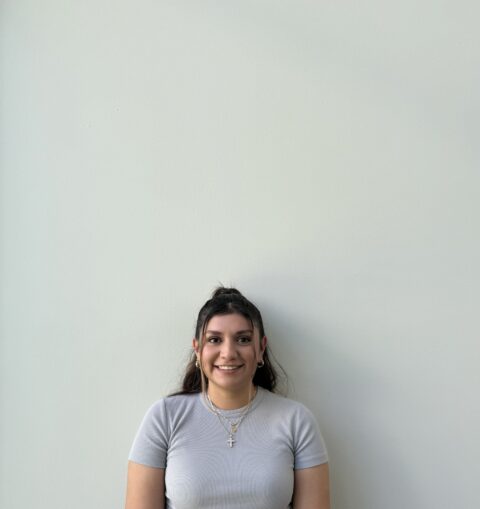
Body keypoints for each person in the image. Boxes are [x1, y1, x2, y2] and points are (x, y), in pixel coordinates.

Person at [125, 287, 330, 509]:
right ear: (197, 349)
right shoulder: (164, 417)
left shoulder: (296, 421)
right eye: (214, 340)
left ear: (261, 348)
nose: (229, 353)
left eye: (243, 339)